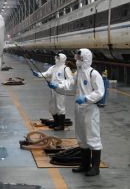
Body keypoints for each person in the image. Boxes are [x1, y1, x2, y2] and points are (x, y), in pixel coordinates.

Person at [47, 48, 104, 176]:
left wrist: (86, 98)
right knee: (82, 137)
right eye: (77, 58)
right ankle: (84, 165)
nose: (77, 60)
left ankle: (95, 168)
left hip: (90, 110)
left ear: (85, 58)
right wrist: (57, 86)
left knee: (92, 137)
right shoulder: (78, 73)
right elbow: (70, 85)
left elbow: (100, 92)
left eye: (79, 58)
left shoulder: (93, 74)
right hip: (79, 110)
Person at [33, 53, 73, 131]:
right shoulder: (53, 67)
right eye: (56, 57)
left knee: (60, 106)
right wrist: (39, 74)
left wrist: (59, 85)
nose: (56, 59)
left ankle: (61, 125)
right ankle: (56, 122)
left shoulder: (65, 69)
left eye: (58, 58)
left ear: (62, 59)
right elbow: (47, 73)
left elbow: (70, 81)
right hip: (53, 90)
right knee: (52, 107)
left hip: (60, 91)